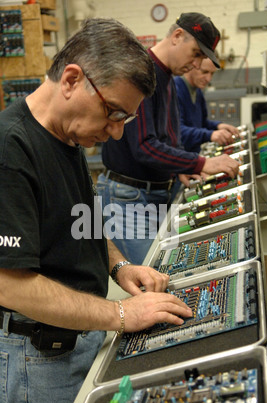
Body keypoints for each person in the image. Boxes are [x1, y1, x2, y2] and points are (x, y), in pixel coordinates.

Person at [0, 18, 193, 403]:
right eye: (113, 113)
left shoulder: (67, 140)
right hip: (36, 357)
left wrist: (120, 266)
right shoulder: (3, 150)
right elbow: (9, 286)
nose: (115, 131)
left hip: (79, 335)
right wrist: (122, 316)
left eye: (126, 119)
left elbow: (82, 216)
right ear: (72, 79)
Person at [97, 12, 240, 265]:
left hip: (155, 193)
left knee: (171, 270)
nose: (197, 65)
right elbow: (144, 146)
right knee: (154, 280)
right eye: (196, 53)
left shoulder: (168, 79)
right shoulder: (141, 73)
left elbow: (171, 136)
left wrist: (180, 168)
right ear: (177, 36)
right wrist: (201, 163)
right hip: (129, 198)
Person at [175, 56, 240, 153]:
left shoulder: (197, 92)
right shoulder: (175, 90)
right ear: (191, 66)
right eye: (204, 72)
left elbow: (201, 123)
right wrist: (210, 135)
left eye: (212, 73)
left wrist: (218, 126)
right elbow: (177, 132)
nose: (209, 79)